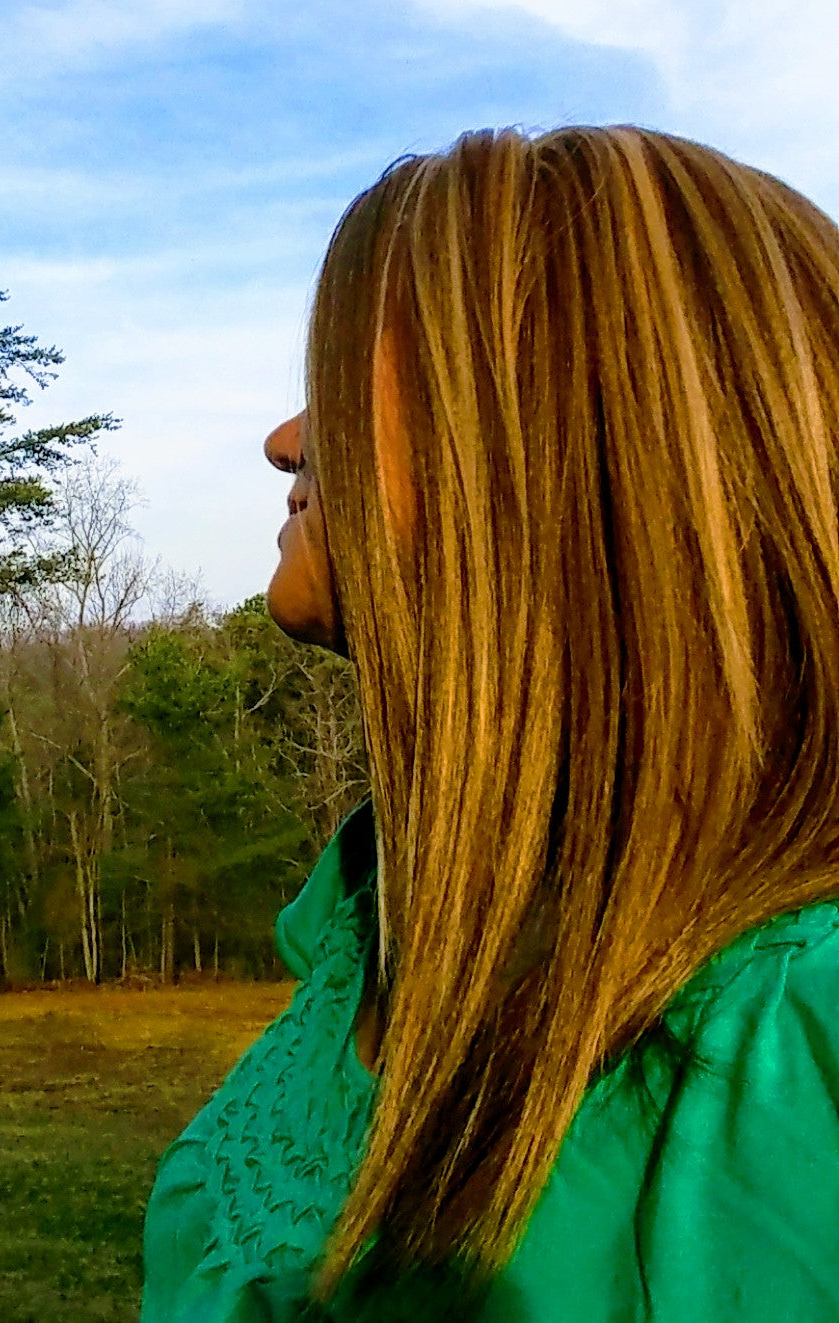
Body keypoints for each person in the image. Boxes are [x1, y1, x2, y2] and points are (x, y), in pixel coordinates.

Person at [140, 125, 839, 1321]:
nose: (285, 441)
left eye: (342, 379)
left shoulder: (802, 1059)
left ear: (578, 436)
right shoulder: (363, 932)